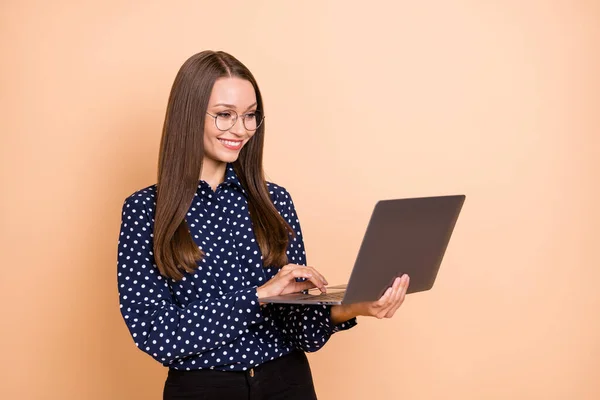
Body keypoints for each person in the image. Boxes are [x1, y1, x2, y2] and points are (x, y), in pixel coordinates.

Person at [116, 50, 410, 400]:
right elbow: (157, 335)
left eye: (250, 115)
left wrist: (357, 306)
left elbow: (301, 331)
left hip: (288, 382)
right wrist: (258, 296)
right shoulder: (145, 210)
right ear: (189, 115)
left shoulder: (275, 201)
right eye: (225, 115)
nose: (241, 129)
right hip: (204, 389)